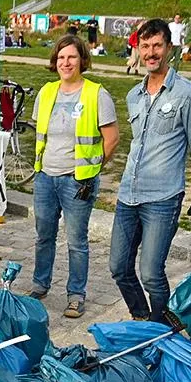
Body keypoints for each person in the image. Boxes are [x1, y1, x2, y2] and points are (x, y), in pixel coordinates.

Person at [110, 18, 191, 323]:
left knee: (151, 273)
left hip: (163, 197)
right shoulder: (133, 96)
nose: (151, 52)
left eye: (157, 45)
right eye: (145, 46)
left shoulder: (186, 94)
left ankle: (159, 331)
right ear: (138, 50)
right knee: (119, 267)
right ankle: (143, 318)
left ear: (168, 48)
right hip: (128, 193)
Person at [29, 35, 119, 319]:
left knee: (76, 241)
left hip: (77, 180)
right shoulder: (46, 92)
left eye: (72, 57)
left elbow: (112, 139)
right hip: (45, 177)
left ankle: (76, 294)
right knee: (44, 235)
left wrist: (91, 168)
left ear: (82, 60)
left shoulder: (96, 94)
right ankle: (40, 284)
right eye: (61, 57)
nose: (66, 63)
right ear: (55, 61)